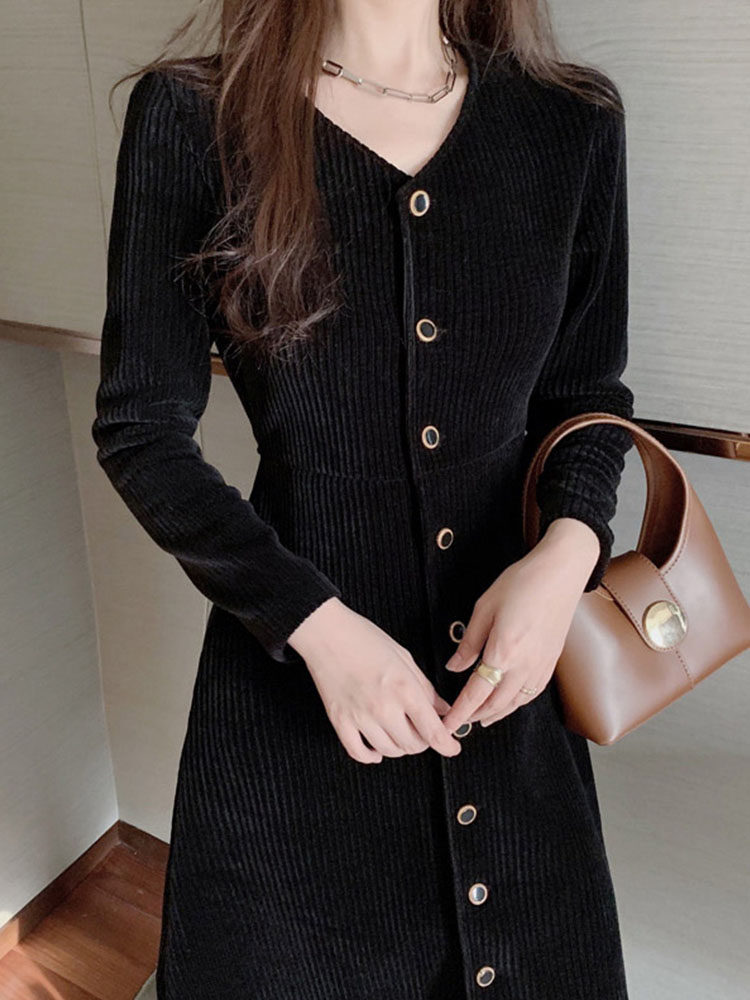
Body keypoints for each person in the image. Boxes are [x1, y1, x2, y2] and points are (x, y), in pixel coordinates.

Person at [92, 1, 636, 997]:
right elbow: (142, 431)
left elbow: (587, 398)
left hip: (509, 694)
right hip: (294, 703)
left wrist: (567, 557)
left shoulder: (572, 123)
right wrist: (320, 631)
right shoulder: (196, 119)